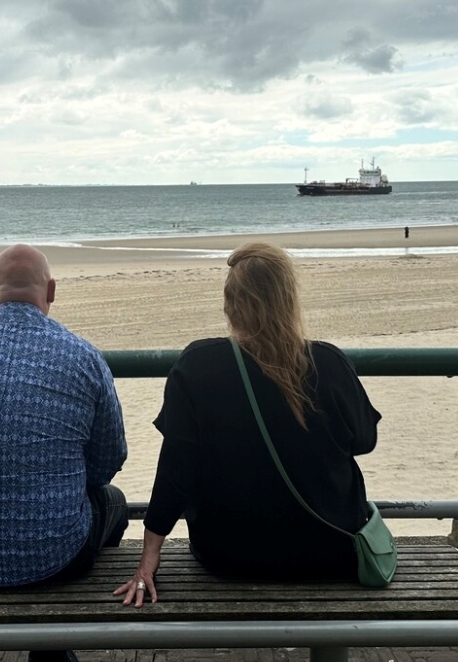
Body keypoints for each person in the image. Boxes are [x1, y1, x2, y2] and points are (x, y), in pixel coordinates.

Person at [115, 242, 381, 607]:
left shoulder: (197, 365)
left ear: (229, 305)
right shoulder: (329, 363)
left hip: (228, 555)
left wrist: (149, 556)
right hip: (329, 549)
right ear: (289, 300)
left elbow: (177, 470)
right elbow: (365, 440)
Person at [0, 244, 128, 660]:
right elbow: (109, 459)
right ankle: (56, 642)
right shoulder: (83, 356)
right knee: (114, 503)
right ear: (51, 291)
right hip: (52, 556)